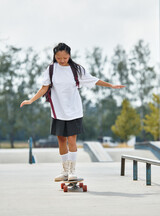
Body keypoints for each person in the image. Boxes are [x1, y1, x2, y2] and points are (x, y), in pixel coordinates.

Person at [20, 42, 125, 181]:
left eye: (64, 57)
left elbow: (93, 80)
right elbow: (44, 88)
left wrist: (110, 85)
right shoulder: (51, 69)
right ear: (55, 57)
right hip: (58, 111)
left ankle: (72, 171)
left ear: (69, 55)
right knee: (61, 141)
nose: (62, 60)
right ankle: (64, 171)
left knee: (72, 140)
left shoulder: (76, 69)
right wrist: (31, 100)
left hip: (74, 110)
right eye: (58, 58)